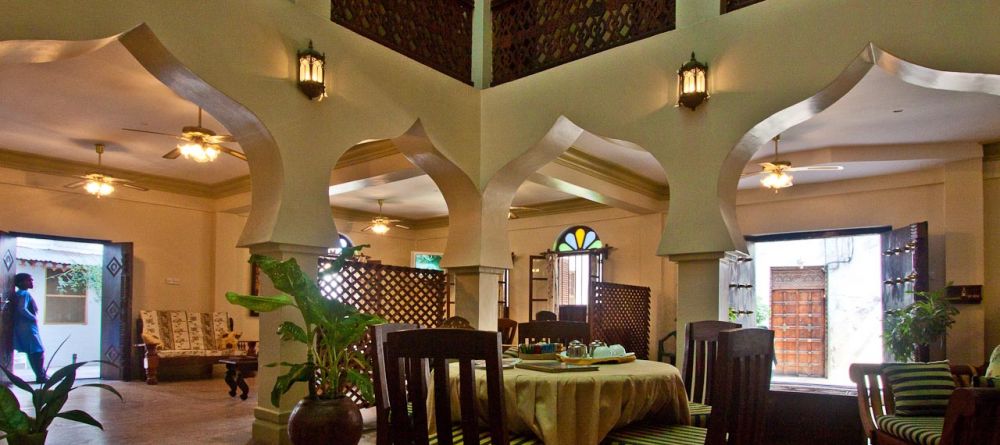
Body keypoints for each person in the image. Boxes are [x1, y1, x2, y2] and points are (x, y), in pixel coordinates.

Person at [13, 273, 46, 383]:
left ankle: (40, 375)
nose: (31, 282)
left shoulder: (18, 294)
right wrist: (33, 318)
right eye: (29, 280)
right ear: (21, 282)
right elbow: (22, 309)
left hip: (22, 327)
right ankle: (40, 376)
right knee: (38, 351)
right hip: (28, 327)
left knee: (32, 351)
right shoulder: (24, 294)